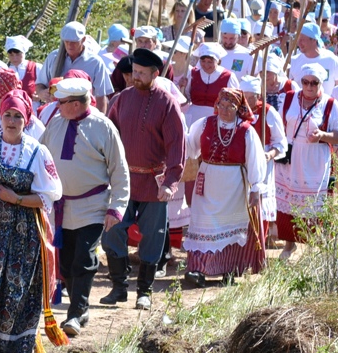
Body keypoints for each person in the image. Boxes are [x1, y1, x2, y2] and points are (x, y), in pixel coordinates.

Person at [0, 91, 63, 353]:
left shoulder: (37, 151)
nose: (11, 120)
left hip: (23, 231)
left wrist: (17, 199)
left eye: (18, 115)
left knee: (15, 287)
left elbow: (50, 194)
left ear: (27, 119)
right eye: (7, 114)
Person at [40, 78, 130, 337]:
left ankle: (76, 312)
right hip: (60, 209)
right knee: (66, 264)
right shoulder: (55, 123)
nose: (57, 106)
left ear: (77, 103)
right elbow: (41, 156)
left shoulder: (103, 127)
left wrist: (116, 208)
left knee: (84, 257)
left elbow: (119, 170)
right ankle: (80, 305)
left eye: (62, 102)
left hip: (93, 205)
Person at [101, 49, 186, 310]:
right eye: (133, 71)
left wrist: (171, 182)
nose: (134, 76)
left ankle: (144, 292)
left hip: (153, 181)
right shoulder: (122, 99)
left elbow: (176, 145)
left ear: (155, 74)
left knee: (152, 238)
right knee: (112, 231)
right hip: (124, 181)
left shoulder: (167, 103)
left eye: (140, 73)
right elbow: (109, 134)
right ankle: (119, 288)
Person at [183, 88, 266, 285]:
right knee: (204, 224)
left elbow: (255, 161)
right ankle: (198, 269)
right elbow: (189, 148)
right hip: (208, 181)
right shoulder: (204, 124)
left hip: (234, 187)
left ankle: (229, 269)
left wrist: (256, 188)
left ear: (239, 108)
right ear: (217, 105)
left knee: (231, 226)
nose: (225, 110)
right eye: (222, 105)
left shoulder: (247, 131)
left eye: (231, 106)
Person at [274, 65, 338, 260]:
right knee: (287, 201)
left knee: (316, 204)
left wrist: (322, 135)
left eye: (314, 83)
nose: (309, 86)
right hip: (290, 158)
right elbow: (279, 126)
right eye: (305, 82)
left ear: (321, 83)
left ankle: (316, 248)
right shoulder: (288, 98)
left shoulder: (330, 104)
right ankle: (289, 245)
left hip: (316, 160)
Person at [241, 76, 286, 246]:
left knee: (260, 200)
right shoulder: (237, 111)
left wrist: (270, 154)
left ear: (258, 96)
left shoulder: (268, 112)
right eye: (243, 95)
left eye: (249, 96)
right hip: (241, 160)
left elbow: (280, 142)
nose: (246, 100)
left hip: (262, 160)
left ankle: (259, 242)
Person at [37, 22, 115, 111]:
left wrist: (99, 120)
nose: (70, 45)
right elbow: (40, 83)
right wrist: (41, 93)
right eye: (67, 41)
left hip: (83, 114)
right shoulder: (53, 57)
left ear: (83, 39)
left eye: (74, 42)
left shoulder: (95, 62)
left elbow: (101, 96)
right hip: (54, 112)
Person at [184, 43, 237, 127]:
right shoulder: (193, 73)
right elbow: (185, 95)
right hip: (193, 118)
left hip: (216, 119)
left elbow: (235, 101)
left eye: (210, 62)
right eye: (203, 61)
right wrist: (181, 86)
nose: (206, 65)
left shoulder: (228, 76)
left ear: (218, 61)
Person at [287, 22, 338, 87]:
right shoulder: (294, 61)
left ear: (314, 40)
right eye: (298, 39)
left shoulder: (332, 60)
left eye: (302, 40)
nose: (299, 43)